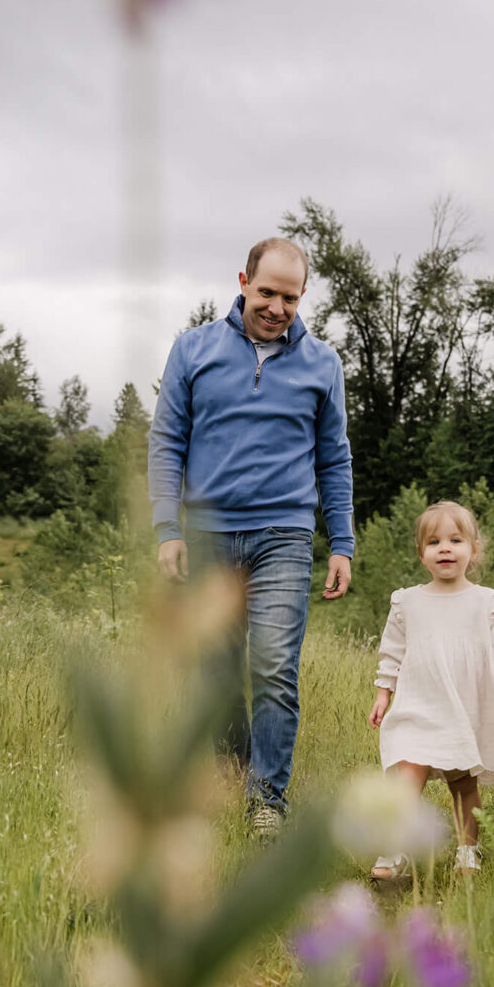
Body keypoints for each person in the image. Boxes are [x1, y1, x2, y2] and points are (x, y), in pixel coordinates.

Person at [147, 236, 354, 838]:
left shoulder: (322, 364)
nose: (276, 307)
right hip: (208, 536)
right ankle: (231, 774)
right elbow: (167, 443)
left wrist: (340, 541)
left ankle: (268, 800)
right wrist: (167, 529)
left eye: (289, 297)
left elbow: (334, 459)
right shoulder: (194, 350)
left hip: (284, 537)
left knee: (273, 667)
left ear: (302, 297)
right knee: (214, 677)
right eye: (266, 292)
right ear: (243, 281)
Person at [368, 501, 494, 877]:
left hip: (461, 709)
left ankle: (467, 854)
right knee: (407, 779)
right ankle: (395, 852)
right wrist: (383, 694)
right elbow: (391, 652)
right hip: (418, 705)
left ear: (473, 550)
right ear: (421, 553)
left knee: (463, 784)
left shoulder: (485, 602)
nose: (444, 548)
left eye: (455, 540)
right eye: (434, 542)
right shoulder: (407, 602)